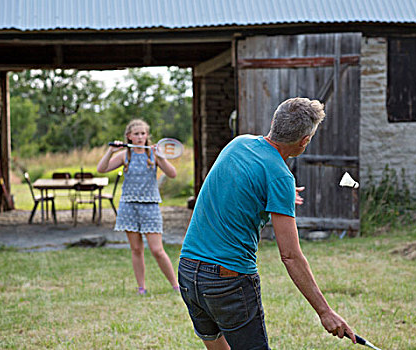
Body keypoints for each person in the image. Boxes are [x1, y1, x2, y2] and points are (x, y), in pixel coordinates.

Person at [178, 97, 356, 349]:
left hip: (188, 271)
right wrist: (325, 312)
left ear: (274, 122)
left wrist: (278, 194)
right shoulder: (279, 176)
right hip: (228, 280)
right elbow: (290, 256)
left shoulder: (238, 143)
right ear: (304, 141)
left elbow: (237, 184)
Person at [97, 119, 180, 295]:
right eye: (136, 134)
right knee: (136, 249)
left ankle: (176, 285)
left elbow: (172, 174)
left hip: (150, 206)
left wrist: (162, 157)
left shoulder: (154, 155)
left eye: (143, 133)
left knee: (157, 250)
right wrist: (110, 151)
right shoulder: (125, 156)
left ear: (147, 135)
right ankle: (141, 288)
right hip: (129, 206)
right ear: (129, 136)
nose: (140, 137)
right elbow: (101, 169)